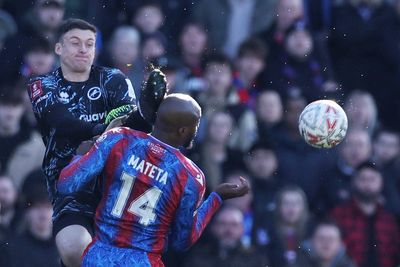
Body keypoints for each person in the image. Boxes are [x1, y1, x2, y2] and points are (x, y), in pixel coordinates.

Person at [27, 18, 168, 267]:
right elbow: (62, 124)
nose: (83, 49)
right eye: (75, 43)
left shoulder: (113, 79)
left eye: (89, 44)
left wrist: (147, 111)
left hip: (118, 185)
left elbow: (133, 129)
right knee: (74, 251)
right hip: (71, 185)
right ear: (58, 48)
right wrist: (105, 129)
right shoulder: (42, 84)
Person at [57, 93, 250, 266]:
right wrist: (215, 198)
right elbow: (182, 240)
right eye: (196, 124)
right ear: (183, 130)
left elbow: (67, 184)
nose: (197, 129)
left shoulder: (118, 139)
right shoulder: (191, 176)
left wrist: (79, 156)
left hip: (99, 257)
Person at [330, 161, 400, 267]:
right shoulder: (339, 215)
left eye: (372, 179)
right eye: (363, 179)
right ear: (354, 182)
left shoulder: (390, 219)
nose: (367, 184)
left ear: (381, 183)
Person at [183, 206, 269, 267]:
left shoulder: (255, 258)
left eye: (234, 225)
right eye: (223, 224)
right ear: (213, 227)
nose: (228, 230)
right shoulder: (198, 257)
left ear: (242, 229)